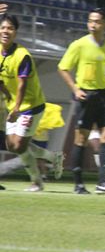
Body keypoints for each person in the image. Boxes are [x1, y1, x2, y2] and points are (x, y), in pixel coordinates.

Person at [58, 8, 105, 195]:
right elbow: (63, 68)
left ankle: (103, 183)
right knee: (81, 140)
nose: (93, 24)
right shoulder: (79, 45)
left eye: (97, 21)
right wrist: (76, 89)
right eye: (90, 21)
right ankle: (78, 183)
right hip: (87, 96)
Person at [0, 13, 63, 191]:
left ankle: (37, 182)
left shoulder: (22, 56)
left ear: (16, 32)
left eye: (10, 28)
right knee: (12, 146)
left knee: (19, 146)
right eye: (3, 27)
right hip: (13, 105)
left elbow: (22, 85)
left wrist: (17, 108)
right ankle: (52, 157)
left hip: (31, 106)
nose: (6, 31)